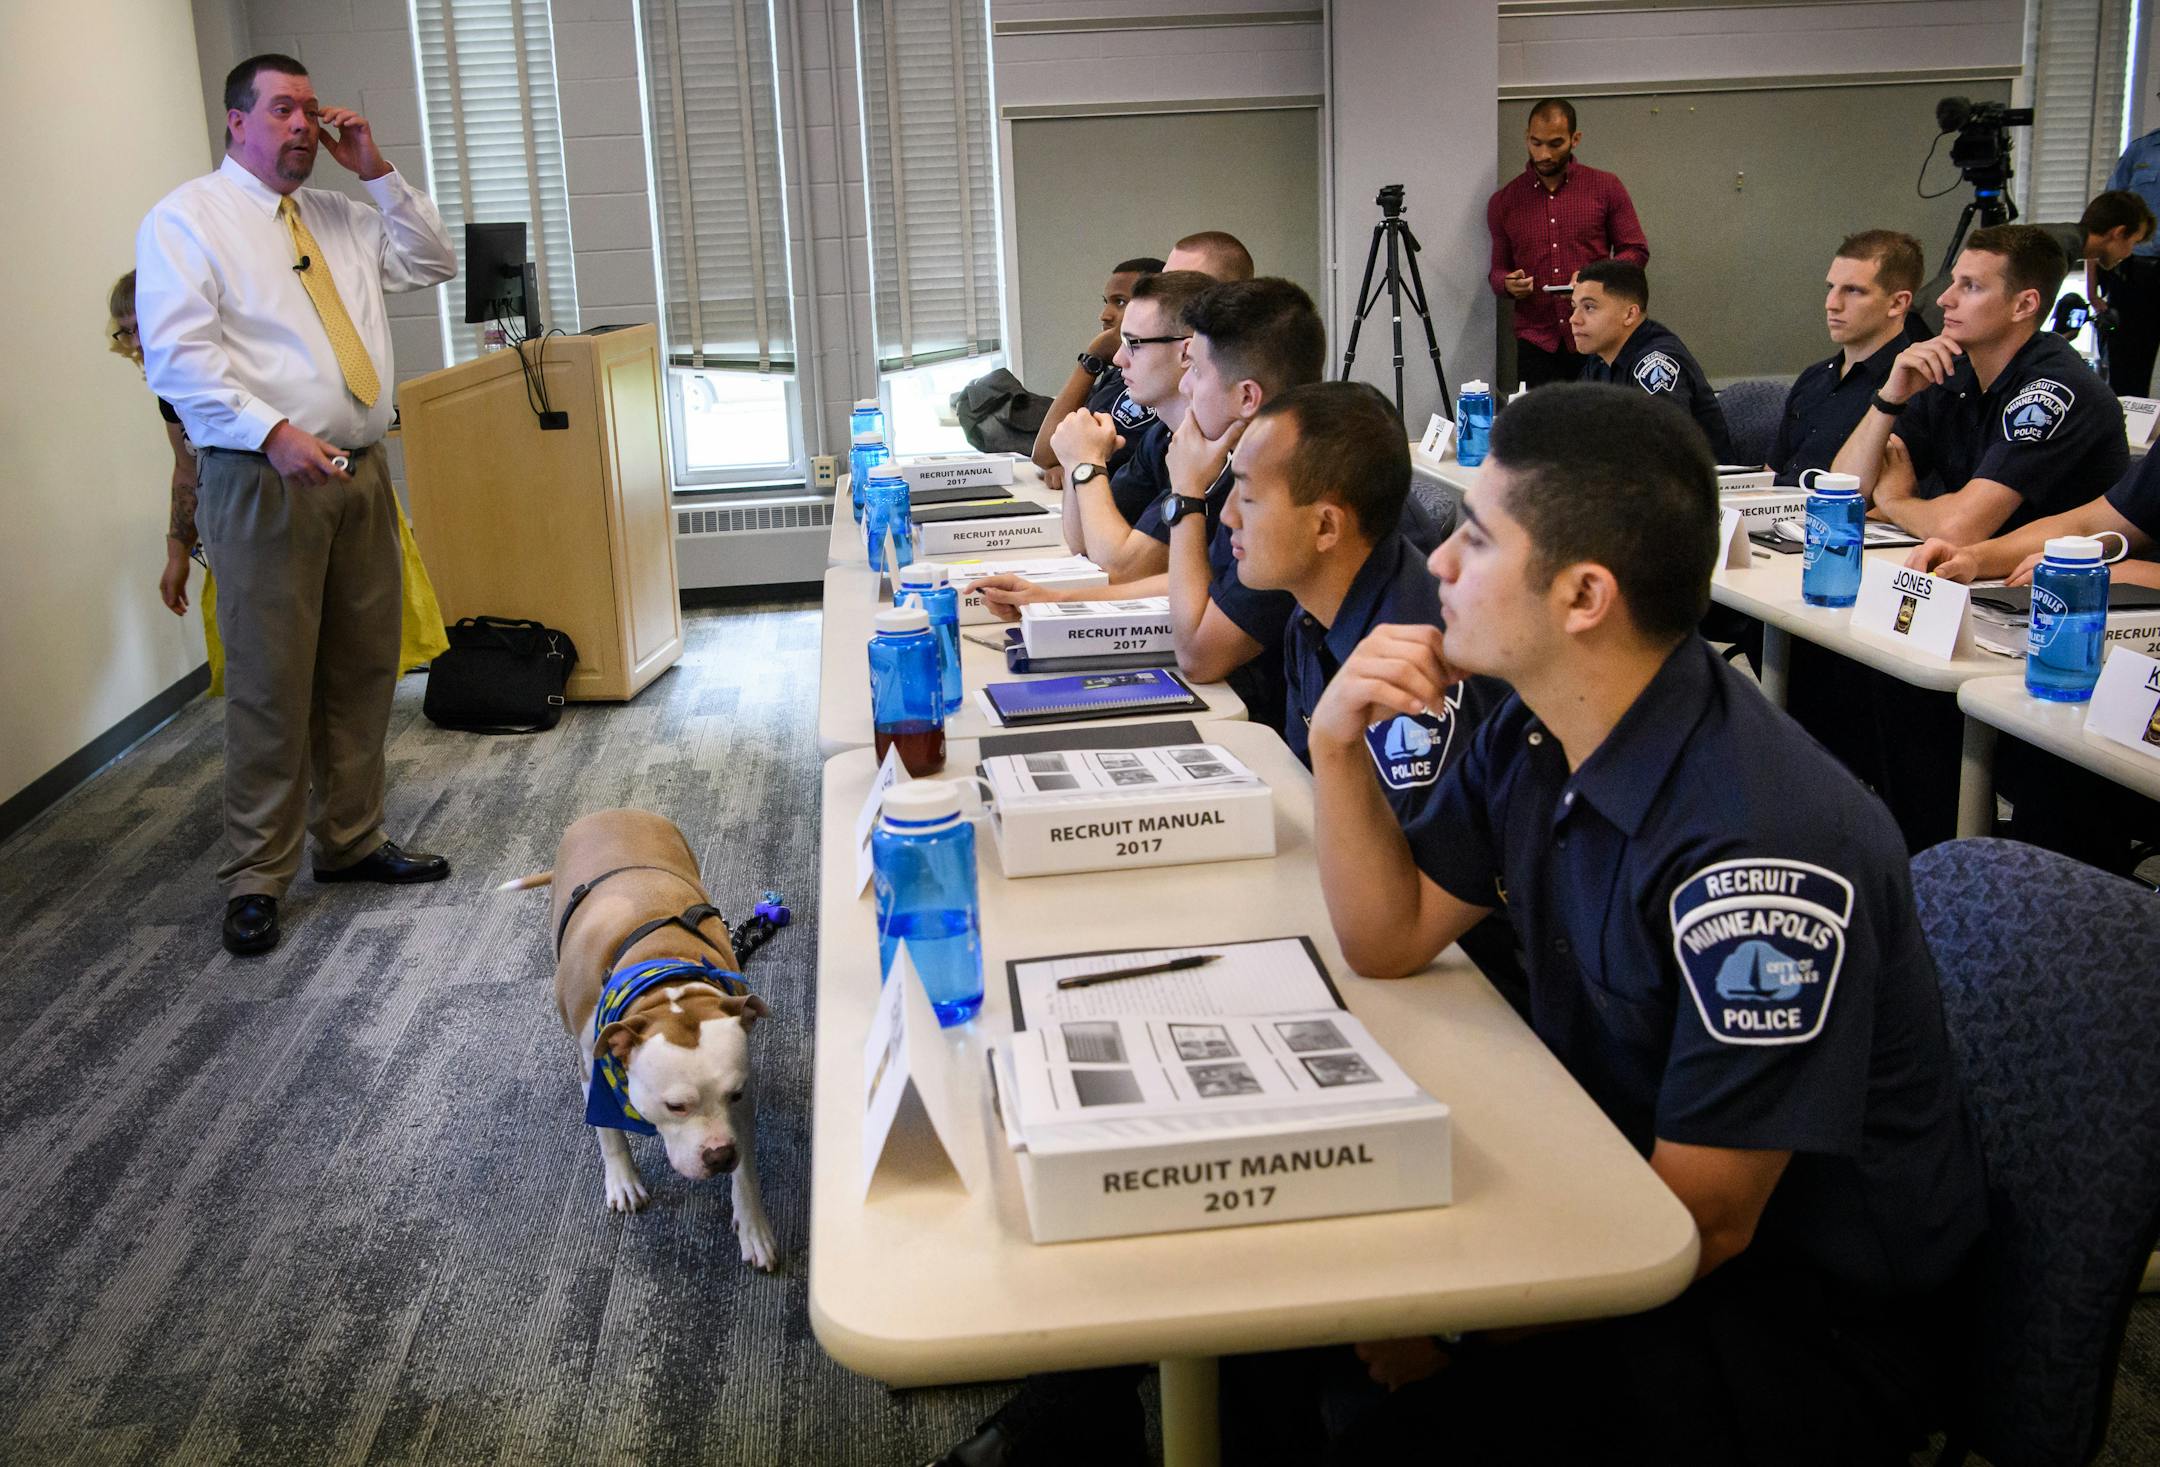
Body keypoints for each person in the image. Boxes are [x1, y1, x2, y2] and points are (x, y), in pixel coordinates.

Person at [1270, 382, 1985, 1465]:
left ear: (1585, 595)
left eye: (1475, 538)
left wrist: (1459, 1324)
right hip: (1606, 1179)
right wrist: (1335, 745)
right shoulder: (1538, 721)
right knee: (1276, 1330)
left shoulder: (1760, 852)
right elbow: (1390, 934)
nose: (1440, 563)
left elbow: (1700, 1227)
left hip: (1791, 1325)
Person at [136, 53, 459, 956]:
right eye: (282, 109)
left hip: (359, 472)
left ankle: (350, 840)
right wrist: (272, 431)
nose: (303, 126)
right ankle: (256, 875)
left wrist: (376, 170)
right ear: (236, 121)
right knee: (273, 684)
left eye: (311, 110)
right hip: (264, 477)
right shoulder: (186, 220)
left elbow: (433, 259)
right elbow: (179, 360)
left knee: (362, 668)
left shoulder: (339, 215)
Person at [1219, 380, 1524, 994]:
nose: (1227, 514)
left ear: (1325, 526)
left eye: (1247, 496)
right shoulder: (1313, 616)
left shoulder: (1412, 665)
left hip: (1465, 987)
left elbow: (1407, 897)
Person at [979, 278, 1330, 735]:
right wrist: (1053, 599)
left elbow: (1198, 654)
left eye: (1196, 371)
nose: (1185, 384)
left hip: (1263, 724)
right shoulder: (1246, 460)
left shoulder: (1289, 489)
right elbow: (1204, 582)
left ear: (1247, 397)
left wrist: (1186, 495)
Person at [1831, 224, 2127, 543]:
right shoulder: (1950, 371)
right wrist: (1888, 400)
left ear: (2024, 306)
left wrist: (1895, 501)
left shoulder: (2056, 389)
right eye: (1954, 282)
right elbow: (1841, 494)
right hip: (1975, 565)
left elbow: (1957, 529)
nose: (1944, 299)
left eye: (1970, 286)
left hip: (2057, 570)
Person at [1043, 269, 1214, 577]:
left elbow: (1121, 567)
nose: (1119, 359)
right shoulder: (1162, 435)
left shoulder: (1215, 446)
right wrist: (1074, 462)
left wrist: (1085, 462)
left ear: (1187, 353)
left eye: (1133, 343)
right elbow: (1083, 544)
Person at [1487, 98, 1649, 389]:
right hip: (1537, 339)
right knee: (1541, 416)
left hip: (1599, 332)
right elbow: (1497, 272)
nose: (1544, 154)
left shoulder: (1605, 187)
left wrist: (1596, 277)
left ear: (1575, 139)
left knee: (1602, 412)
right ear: (1526, 137)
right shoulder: (1505, 201)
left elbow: (1636, 250)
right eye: (1536, 143)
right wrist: (1508, 284)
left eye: (1555, 144)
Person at [1770, 231, 1925, 481]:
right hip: (1780, 502)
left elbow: (1881, 493)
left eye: (1853, 291)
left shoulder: (1914, 385)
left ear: (1897, 303)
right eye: (1831, 287)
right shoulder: (1813, 378)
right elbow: (1772, 473)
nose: (1832, 304)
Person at [1571, 260, 1733, 460]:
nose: (1574, 319)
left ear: (1629, 314)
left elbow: (1661, 449)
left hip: (1689, 477)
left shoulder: (1656, 362)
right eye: (1574, 307)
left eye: (1589, 307)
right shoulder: (1599, 360)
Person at [1026, 255, 1163, 490]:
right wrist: (1092, 361)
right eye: (1106, 302)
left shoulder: (1158, 386)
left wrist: (1091, 359)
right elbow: (1046, 453)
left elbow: (1048, 454)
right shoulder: (1117, 376)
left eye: (1120, 302)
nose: (1105, 315)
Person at [2079, 189, 2159, 397]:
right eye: (2132, 243)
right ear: (2119, 233)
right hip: (2136, 281)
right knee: (2127, 369)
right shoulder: (2057, 256)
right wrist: (2092, 293)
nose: (2130, 251)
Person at [2106, 119, 2160, 396]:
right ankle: (2126, 422)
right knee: (2128, 369)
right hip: (2137, 273)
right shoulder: (2141, 151)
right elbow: (2110, 209)